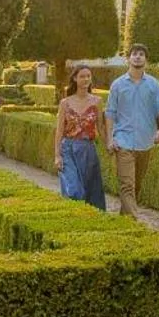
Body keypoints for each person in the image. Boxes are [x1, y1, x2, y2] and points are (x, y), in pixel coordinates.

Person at [103, 45, 159, 219]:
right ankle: (133, 222)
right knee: (127, 185)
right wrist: (110, 139)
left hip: (145, 142)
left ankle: (125, 218)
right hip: (123, 142)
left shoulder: (154, 84)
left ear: (146, 59)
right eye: (134, 54)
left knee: (136, 186)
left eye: (141, 55)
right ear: (128, 59)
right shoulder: (117, 85)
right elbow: (109, 113)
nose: (137, 57)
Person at [53, 64, 106, 210]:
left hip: (88, 150)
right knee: (74, 189)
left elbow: (101, 127)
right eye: (82, 76)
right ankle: (72, 217)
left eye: (88, 76)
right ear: (75, 79)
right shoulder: (65, 103)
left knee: (91, 192)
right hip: (68, 149)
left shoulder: (97, 102)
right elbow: (59, 131)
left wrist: (109, 145)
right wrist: (57, 155)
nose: (86, 79)